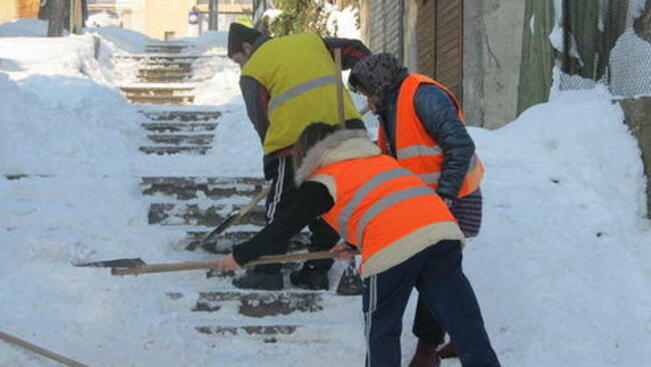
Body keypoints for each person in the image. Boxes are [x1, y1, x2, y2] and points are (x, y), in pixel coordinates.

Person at [215, 123, 501, 367]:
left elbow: (284, 226)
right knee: (460, 315)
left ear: (307, 154)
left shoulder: (324, 178)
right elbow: (384, 201)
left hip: (393, 246)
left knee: (382, 326)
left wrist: (241, 256)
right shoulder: (378, 160)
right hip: (441, 230)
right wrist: (353, 242)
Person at [348, 53, 485, 367]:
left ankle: (431, 344)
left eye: (367, 91)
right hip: (423, 201)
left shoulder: (424, 95)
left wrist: (445, 195)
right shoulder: (389, 107)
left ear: (380, 83)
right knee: (438, 270)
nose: (367, 100)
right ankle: (453, 334)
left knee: (438, 267)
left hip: (456, 193)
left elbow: (461, 145)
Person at [226, 23, 371, 291]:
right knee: (328, 201)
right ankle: (315, 272)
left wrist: (273, 162)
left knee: (281, 207)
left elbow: (261, 120)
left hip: (295, 144)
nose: (240, 66)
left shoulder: (253, 71)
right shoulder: (311, 41)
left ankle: (268, 272)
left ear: (247, 47)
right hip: (345, 132)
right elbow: (355, 50)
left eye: (238, 60)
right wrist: (368, 87)